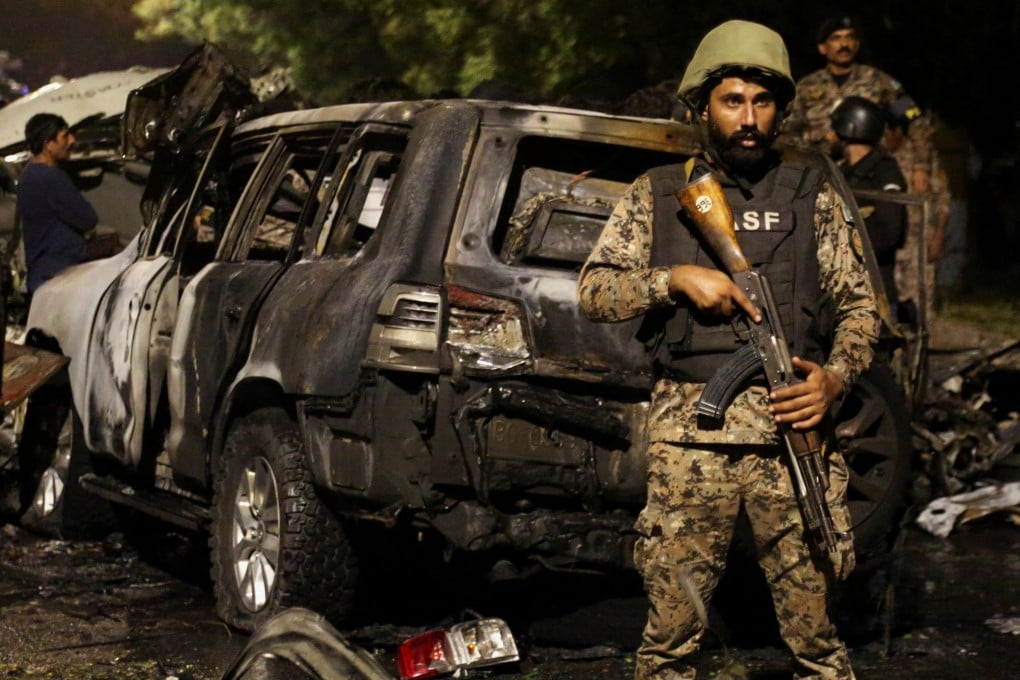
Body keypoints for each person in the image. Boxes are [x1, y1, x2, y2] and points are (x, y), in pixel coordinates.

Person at [578, 19, 878, 680]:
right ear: (703, 107)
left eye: (762, 102)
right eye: (732, 101)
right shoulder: (658, 193)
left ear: (780, 111)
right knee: (670, 642)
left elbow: (862, 309)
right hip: (690, 444)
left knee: (820, 643)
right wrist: (673, 279)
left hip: (791, 440)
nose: (748, 118)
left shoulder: (811, 194)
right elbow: (595, 291)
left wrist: (833, 379)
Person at [784, 15, 931, 194]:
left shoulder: (877, 80)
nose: (844, 44)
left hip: (871, 174)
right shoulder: (806, 87)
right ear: (822, 48)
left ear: (857, 44)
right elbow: (788, 132)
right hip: (821, 175)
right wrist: (809, 153)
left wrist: (921, 167)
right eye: (836, 38)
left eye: (849, 37)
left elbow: (914, 119)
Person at [830, 96, 907, 318]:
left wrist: (843, 248)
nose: (829, 137)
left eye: (835, 131)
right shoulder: (841, 172)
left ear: (849, 130)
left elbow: (889, 232)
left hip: (873, 292)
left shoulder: (884, 172)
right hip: (842, 291)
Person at [884, 95, 951, 326]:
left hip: (918, 244)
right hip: (890, 244)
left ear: (898, 131)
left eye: (887, 133)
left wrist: (938, 236)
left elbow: (943, 199)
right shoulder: (880, 159)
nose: (883, 139)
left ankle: (921, 345)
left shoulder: (923, 159)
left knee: (921, 305)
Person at [16, 113, 98, 295]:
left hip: (41, 276)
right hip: (62, 276)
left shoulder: (27, 175)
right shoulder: (51, 177)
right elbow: (88, 219)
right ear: (49, 144)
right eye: (65, 136)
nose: (72, 140)